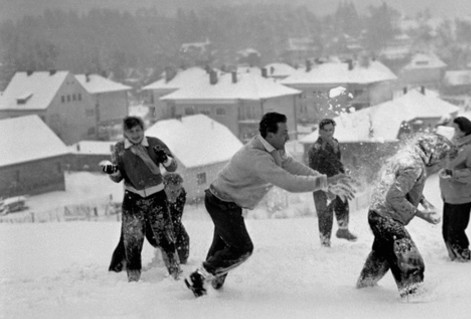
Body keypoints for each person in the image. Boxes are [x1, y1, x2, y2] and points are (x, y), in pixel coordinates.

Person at [185, 112, 355, 297]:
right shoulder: (258, 157)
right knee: (241, 248)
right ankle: (199, 278)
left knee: (223, 246)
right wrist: (324, 183)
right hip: (221, 202)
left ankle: (208, 281)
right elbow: (289, 182)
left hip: (228, 201)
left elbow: (291, 166)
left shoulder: (273, 149)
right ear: (270, 134)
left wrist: (324, 180)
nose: (288, 136)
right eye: (284, 133)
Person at [356, 133, 456, 299]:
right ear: (435, 155)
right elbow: (394, 196)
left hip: (377, 214)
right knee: (409, 259)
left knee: (382, 257)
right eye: (444, 159)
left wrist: (424, 202)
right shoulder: (414, 166)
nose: (444, 165)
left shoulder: (408, 157)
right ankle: (414, 297)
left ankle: (364, 289)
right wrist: (423, 215)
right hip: (385, 217)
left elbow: (404, 186)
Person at [100, 116, 180, 282]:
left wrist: (165, 158)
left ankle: (175, 273)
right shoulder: (120, 149)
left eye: (138, 130)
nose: (135, 134)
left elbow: (172, 167)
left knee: (165, 236)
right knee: (132, 240)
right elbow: (118, 177)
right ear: (125, 132)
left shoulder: (154, 143)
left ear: (143, 130)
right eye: (131, 131)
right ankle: (133, 279)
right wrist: (113, 171)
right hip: (133, 199)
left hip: (157, 197)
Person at [108, 173, 190, 272]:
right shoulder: (153, 195)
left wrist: (172, 239)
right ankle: (116, 269)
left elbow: (176, 219)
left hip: (166, 220)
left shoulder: (180, 196)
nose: (175, 195)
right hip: (142, 217)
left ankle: (181, 262)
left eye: (178, 190)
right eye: (172, 192)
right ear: (163, 188)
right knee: (129, 239)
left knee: (183, 239)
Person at [438, 116, 471, 262]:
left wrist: (453, 174)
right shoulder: (453, 146)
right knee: (446, 232)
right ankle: (453, 259)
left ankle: (463, 261)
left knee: (456, 232)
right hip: (449, 196)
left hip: (462, 198)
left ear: (464, 131)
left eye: (456, 128)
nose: (454, 131)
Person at [308, 118, 357, 247]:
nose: (330, 133)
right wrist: (327, 186)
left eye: (331, 130)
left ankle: (343, 230)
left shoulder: (335, 143)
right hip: (321, 183)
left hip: (336, 180)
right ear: (320, 131)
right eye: (326, 130)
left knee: (342, 201)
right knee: (325, 212)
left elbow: (337, 162)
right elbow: (314, 171)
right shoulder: (315, 149)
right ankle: (325, 241)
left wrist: (342, 176)